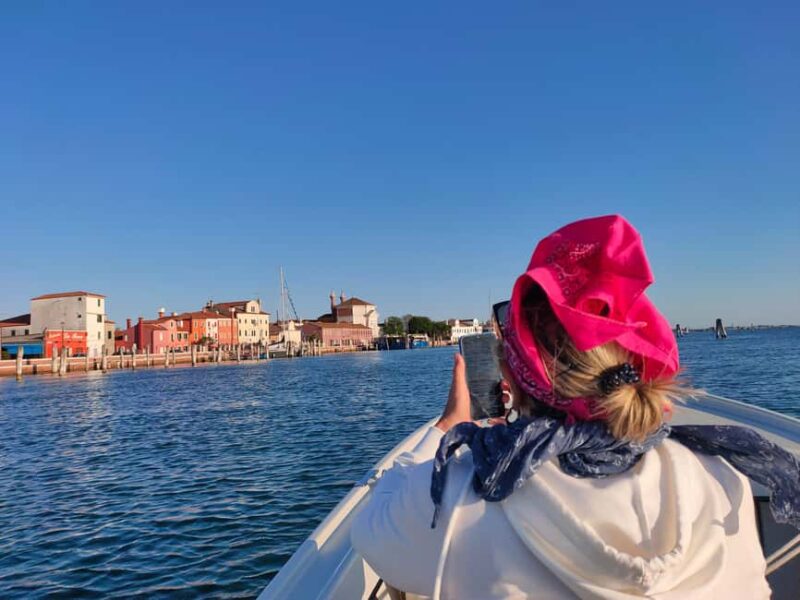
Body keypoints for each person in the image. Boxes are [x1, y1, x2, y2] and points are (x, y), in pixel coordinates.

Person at [351, 215, 795, 599]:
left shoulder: (461, 494)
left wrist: (446, 427)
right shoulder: (725, 480)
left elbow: (369, 528)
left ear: (516, 373)